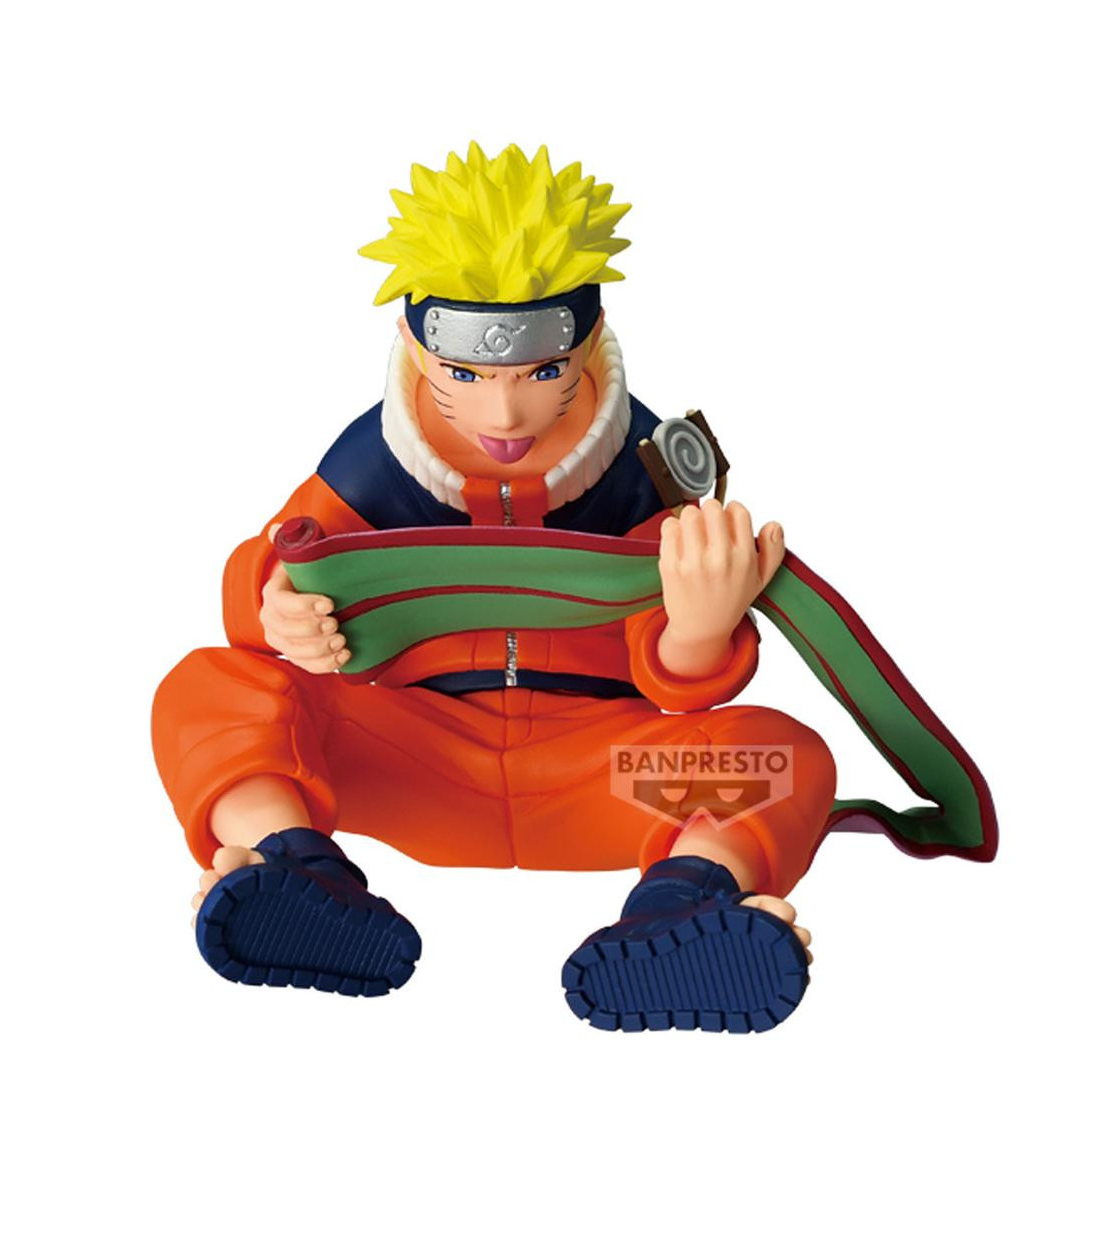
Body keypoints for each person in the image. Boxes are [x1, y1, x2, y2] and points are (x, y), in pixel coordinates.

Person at [152, 142, 837, 1031]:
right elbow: (270, 578)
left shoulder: (645, 469)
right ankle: (290, 863)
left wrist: (700, 628)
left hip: (604, 775)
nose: (504, 415)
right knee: (206, 687)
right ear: (416, 344)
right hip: (407, 761)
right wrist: (278, 610)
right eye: (465, 376)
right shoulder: (371, 463)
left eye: (543, 373)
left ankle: (685, 906)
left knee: (782, 754)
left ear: (589, 338)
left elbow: (675, 679)